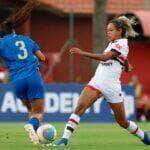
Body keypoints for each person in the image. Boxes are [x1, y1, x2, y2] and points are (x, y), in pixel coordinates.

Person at [56, 16, 150, 146]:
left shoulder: (122, 43)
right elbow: (119, 56)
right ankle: (63, 140)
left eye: (111, 30)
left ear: (120, 31)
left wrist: (83, 53)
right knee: (79, 107)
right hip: (97, 81)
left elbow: (105, 58)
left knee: (122, 122)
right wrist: (126, 64)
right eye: (107, 30)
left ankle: (144, 136)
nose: (108, 32)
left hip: (112, 87)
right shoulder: (113, 44)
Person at [0, 22, 45, 145]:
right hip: (33, 77)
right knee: (38, 112)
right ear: (13, 30)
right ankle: (31, 125)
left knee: (31, 108)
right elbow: (42, 58)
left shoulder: (1, 43)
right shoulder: (27, 39)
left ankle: (35, 136)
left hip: (17, 81)